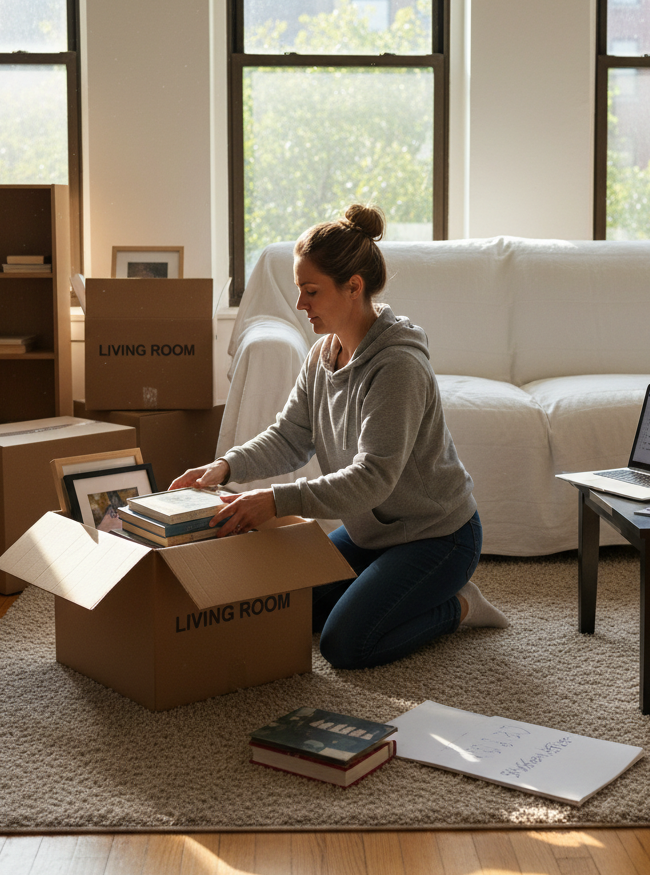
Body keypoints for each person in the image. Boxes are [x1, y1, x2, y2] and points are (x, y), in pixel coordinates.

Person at [171, 204, 507, 669]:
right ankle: (390, 588)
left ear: (354, 287)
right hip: (371, 534)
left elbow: (372, 479)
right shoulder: (322, 355)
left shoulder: (398, 366)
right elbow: (289, 437)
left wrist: (274, 501)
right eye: (298, 290)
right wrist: (226, 467)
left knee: (346, 645)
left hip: (437, 537)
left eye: (311, 291)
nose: (300, 305)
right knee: (290, 610)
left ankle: (460, 605)